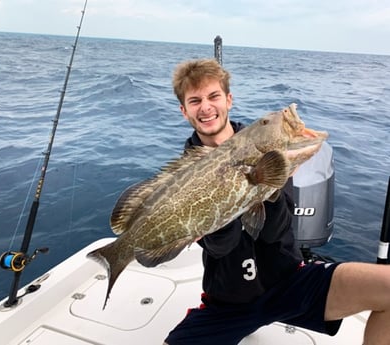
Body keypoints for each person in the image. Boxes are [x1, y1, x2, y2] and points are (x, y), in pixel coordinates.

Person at [163, 58, 390, 345]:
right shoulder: (184, 177)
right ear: (184, 111)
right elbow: (222, 247)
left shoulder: (268, 147)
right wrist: (218, 207)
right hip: (228, 302)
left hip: (289, 283)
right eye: (195, 101)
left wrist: (269, 183)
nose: (206, 107)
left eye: (213, 96)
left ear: (229, 100)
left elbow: (274, 232)